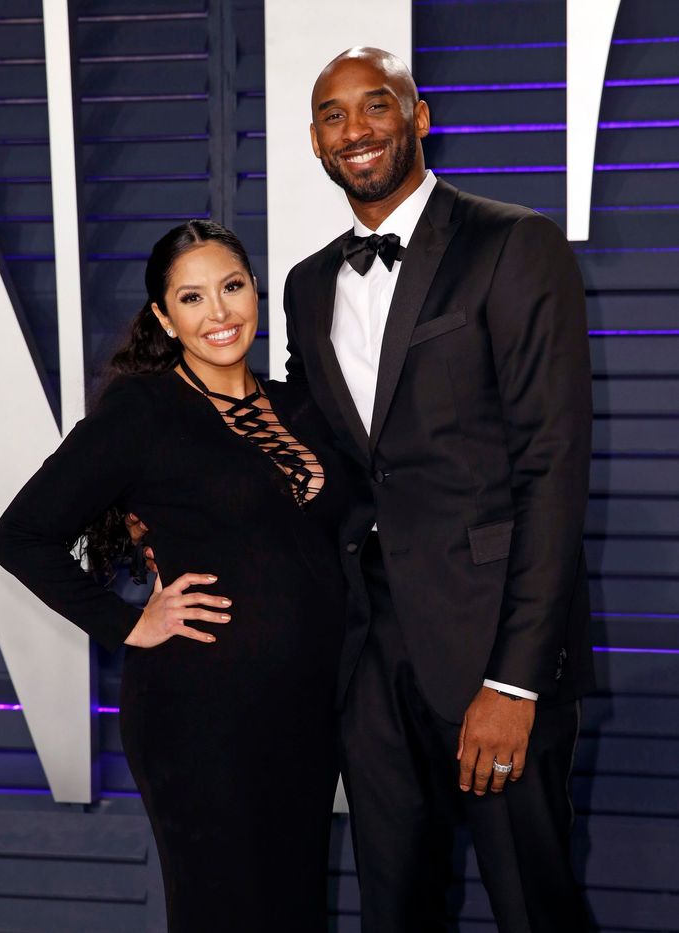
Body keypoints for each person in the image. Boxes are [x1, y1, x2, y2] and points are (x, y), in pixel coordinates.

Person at [282, 47, 595, 932]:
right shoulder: (308, 285)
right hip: (371, 656)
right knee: (395, 910)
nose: (356, 130)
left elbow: (553, 468)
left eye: (376, 106)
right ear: (315, 140)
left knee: (534, 904)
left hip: (493, 649)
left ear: (419, 118)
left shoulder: (512, 241)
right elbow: (314, 454)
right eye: (334, 116)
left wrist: (517, 683)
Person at [0, 221, 352, 933]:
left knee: (296, 912)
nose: (218, 314)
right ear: (164, 316)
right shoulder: (146, 409)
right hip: (200, 717)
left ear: (254, 288)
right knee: (224, 913)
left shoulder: (302, 404)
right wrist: (131, 622)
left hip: (306, 712)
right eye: (192, 298)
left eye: (230, 287)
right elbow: (21, 534)